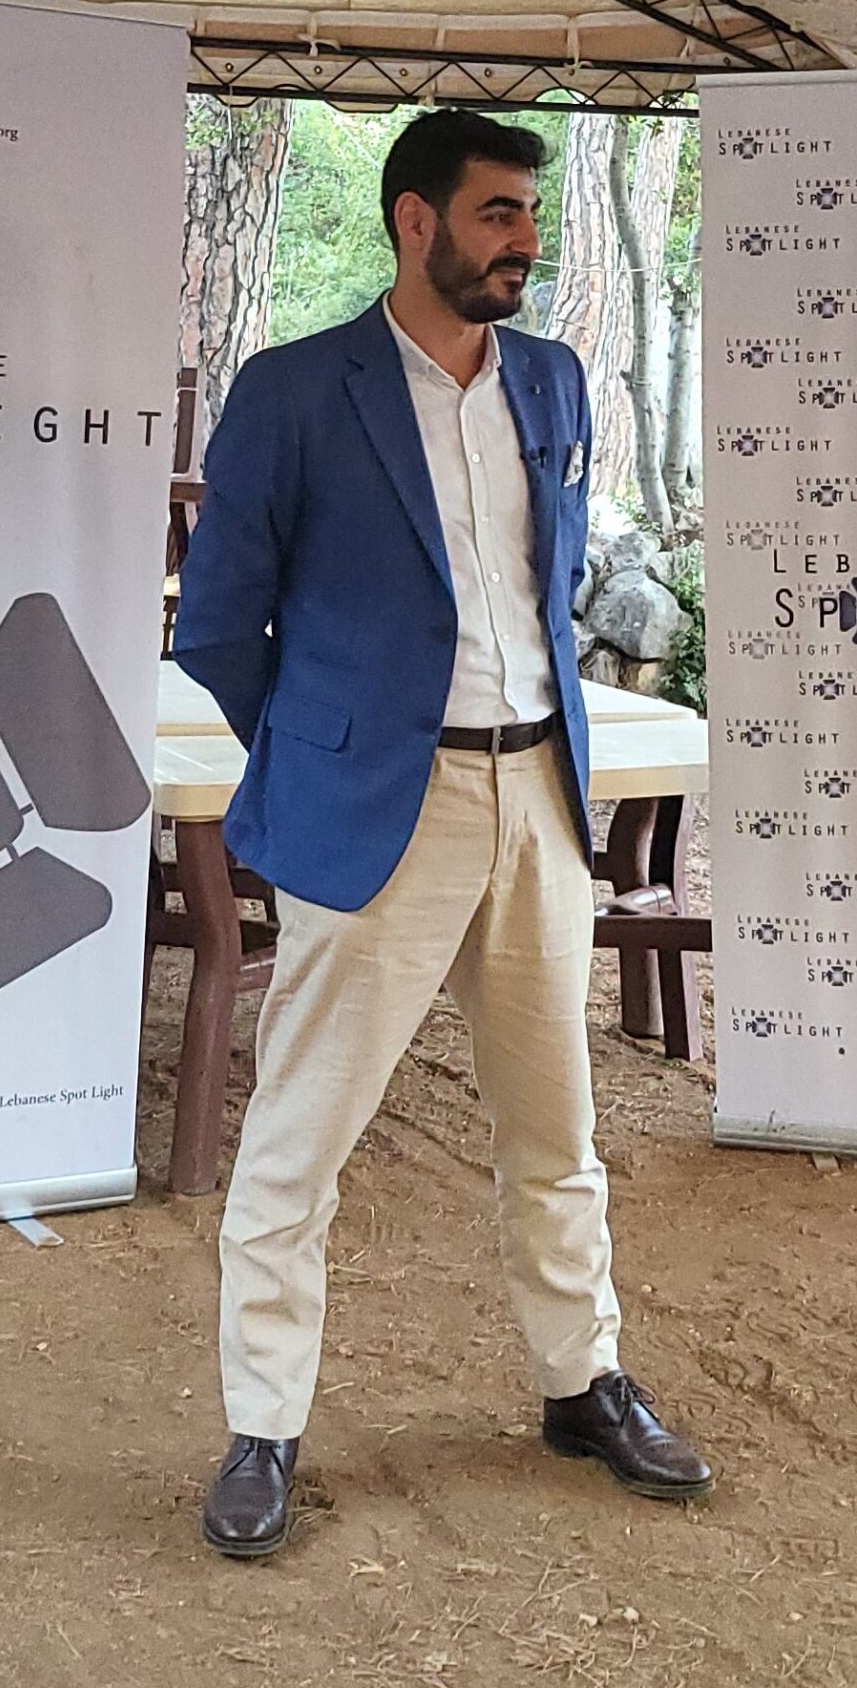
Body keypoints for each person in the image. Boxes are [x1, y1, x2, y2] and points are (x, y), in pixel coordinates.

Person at [174, 108, 715, 1559]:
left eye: (528, 219)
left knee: (557, 1128)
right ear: (413, 223)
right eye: (495, 218)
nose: (522, 244)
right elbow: (221, 625)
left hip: (538, 795)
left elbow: (546, 581)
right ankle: (263, 1424)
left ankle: (579, 1381)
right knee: (298, 1139)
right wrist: (327, 748)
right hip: (381, 811)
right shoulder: (294, 391)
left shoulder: (548, 380)